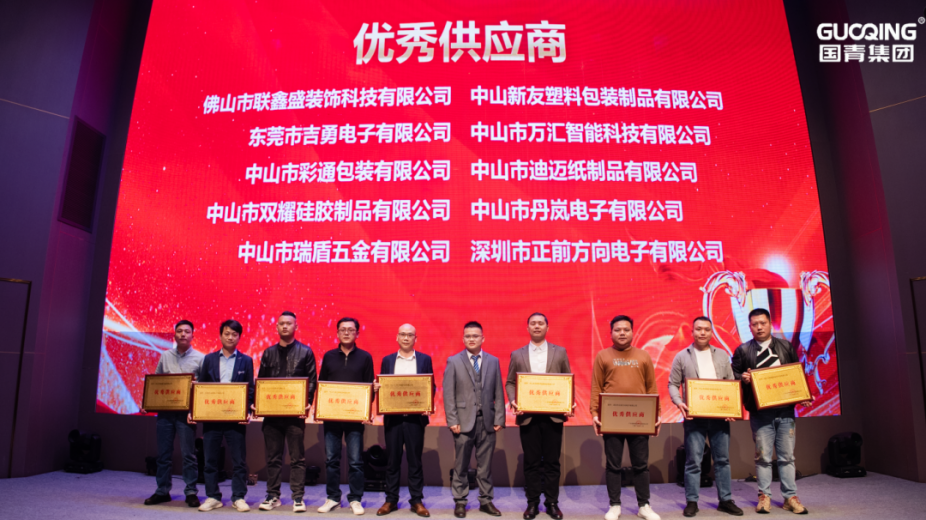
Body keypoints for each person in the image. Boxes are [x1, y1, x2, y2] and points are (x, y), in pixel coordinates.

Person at [732, 308, 813, 515]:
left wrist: (803, 394)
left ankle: (790, 497)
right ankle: (764, 496)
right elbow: (733, 376)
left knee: (787, 457)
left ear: (770, 324)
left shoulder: (786, 346)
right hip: (760, 413)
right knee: (763, 457)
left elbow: (795, 374)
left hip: (785, 412)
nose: (759, 327)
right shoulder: (743, 350)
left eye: (763, 323)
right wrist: (743, 378)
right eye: (755, 324)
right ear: (749, 327)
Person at [667, 317, 743, 517]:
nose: (702, 333)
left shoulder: (722, 355)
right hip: (695, 418)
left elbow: (731, 382)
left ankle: (725, 500)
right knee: (693, 461)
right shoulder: (682, 356)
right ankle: (692, 502)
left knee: (723, 460)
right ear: (692, 331)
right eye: (699, 329)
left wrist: (732, 408)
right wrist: (678, 402)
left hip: (720, 418)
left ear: (711, 332)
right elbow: (673, 384)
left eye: (707, 329)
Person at [590, 315, 661, 520]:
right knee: (613, 465)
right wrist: (594, 413)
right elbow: (596, 387)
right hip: (612, 418)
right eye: (617, 330)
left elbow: (651, 387)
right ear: (611, 333)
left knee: (641, 465)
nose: (622, 333)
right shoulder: (603, 356)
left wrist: (657, 413)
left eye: (626, 329)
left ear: (632, 332)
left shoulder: (643, 356)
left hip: (639, 418)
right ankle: (614, 505)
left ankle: (644, 506)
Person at [505, 313, 573, 520]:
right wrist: (513, 400)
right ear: (527, 328)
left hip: (553, 415)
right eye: (533, 323)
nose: (537, 326)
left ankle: (552, 503)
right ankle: (532, 503)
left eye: (540, 323)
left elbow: (567, 380)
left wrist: (568, 402)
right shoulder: (517, 354)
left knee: (552, 462)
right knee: (532, 462)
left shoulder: (560, 352)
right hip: (528, 416)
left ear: (547, 327)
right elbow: (510, 382)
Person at [256, 311, 318, 513]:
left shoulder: (305, 352)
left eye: (288, 323)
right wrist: (259, 403)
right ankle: (272, 495)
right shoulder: (268, 352)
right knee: (273, 458)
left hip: (294, 416)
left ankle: (298, 497)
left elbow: (311, 381)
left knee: (297, 458)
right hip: (272, 415)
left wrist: (307, 403)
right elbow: (261, 382)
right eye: (281, 323)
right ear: (276, 327)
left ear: (295, 327)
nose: (285, 326)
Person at [443, 321, 506, 519]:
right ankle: (460, 501)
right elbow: (448, 394)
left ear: (483, 338)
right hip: (462, 422)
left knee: (485, 466)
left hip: (487, 421)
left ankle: (486, 500)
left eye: (475, 336)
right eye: (468, 336)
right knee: (461, 465)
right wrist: (452, 420)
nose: (471, 339)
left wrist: (499, 418)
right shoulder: (454, 361)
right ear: (463, 339)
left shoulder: (493, 361)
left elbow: (498, 391)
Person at [374, 323, 435, 518]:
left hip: (415, 420)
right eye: (402, 334)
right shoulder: (388, 360)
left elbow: (430, 386)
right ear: (397, 337)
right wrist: (377, 388)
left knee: (415, 461)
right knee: (392, 461)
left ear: (416, 338)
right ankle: (391, 499)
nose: (406, 338)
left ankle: (416, 500)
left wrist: (427, 403)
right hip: (393, 419)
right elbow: (384, 385)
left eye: (410, 335)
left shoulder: (424, 359)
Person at [317, 317, 375, 515]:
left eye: (351, 330)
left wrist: (366, 411)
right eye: (343, 329)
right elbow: (322, 385)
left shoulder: (365, 357)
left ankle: (355, 499)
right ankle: (333, 497)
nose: (347, 333)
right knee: (331, 460)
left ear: (357, 333)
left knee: (355, 461)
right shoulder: (329, 356)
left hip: (355, 418)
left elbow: (369, 388)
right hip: (332, 417)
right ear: (337, 333)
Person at [143, 320, 205, 507]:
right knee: (163, 454)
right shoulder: (165, 356)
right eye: (179, 331)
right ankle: (162, 491)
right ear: (175, 334)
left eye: (187, 331)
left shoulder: (200, 358)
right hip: (165, 414)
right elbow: (156, 382)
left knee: (189, 455)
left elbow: (204, 387)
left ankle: (191, 492)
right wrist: (147, 402)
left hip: (186, 414)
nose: (183, 334)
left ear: (193, 335)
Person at [195, 319, 255, 512]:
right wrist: (197, 411)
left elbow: (250, 390)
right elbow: (202, 387)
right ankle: (213, 496)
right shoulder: (209, 359)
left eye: (234, 334)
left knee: (239, 461)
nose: (230, 337)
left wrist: (246, 411)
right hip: (212, 417)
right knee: (210, 460)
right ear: (220, 336)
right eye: (227, 333)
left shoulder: (246, 360)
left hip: (235, 418)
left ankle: (238, 497)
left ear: (239, 337)